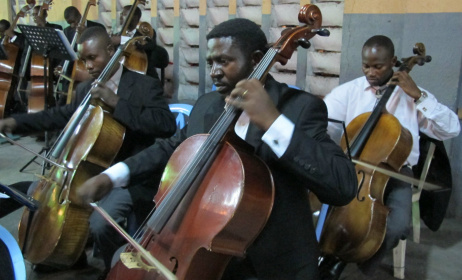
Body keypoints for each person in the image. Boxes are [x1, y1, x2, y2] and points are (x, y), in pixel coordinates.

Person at [76, 18, 358, 279]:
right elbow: (170, 148)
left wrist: (273, 122)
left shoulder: (299, 108)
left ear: (257, 60)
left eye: (224, 61)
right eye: (210, 62)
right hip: (205, 253)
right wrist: (111, 176)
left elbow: (342, 186)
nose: (214, 72)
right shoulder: (207, 106)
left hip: (274, 264)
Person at [0, 26, 176, 274]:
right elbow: (58, 116)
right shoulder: (86, 89)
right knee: (35, 195)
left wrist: (116, 103)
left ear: (111, 51)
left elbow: (165, 126)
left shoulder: (144, 85)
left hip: (129, 174)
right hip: (87, 169)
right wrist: (17, 122)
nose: (89, 65)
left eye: (93, 58)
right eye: (83, 60)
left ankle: (114, 269)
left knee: (99, 225)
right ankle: (70, 255)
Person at [320, 35, 460, 279]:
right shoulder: (348, 92)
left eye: (378, 66)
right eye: (366, 66)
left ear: (393, 62)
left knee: (394, 227)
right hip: (353, 165)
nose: (371, 72)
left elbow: (451, 129)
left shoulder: (412, 95)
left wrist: (419, 97)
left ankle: (356, 267)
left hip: (396, 172)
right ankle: (322, 254)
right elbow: (323, 124)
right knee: (321, 210)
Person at [55, 6, 106, 105]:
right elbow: (66, 53)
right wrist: (61, 66)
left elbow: (102, 47)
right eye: (70, 23)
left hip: (90, 73)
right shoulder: (67, 31)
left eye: (74, 21)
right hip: (72, 73)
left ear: (80, 16)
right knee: (62, 102)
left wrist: (86, 32)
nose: (73, 25)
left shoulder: (97, 27)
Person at [111, 5, 168, 81]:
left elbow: (150, 46)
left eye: (124, 15)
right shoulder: (118, 35)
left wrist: (122, 40)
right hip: (123, 75)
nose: (121, 17)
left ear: (135, 17)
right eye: (121, 14)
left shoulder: (147, 33)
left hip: (143, 74)